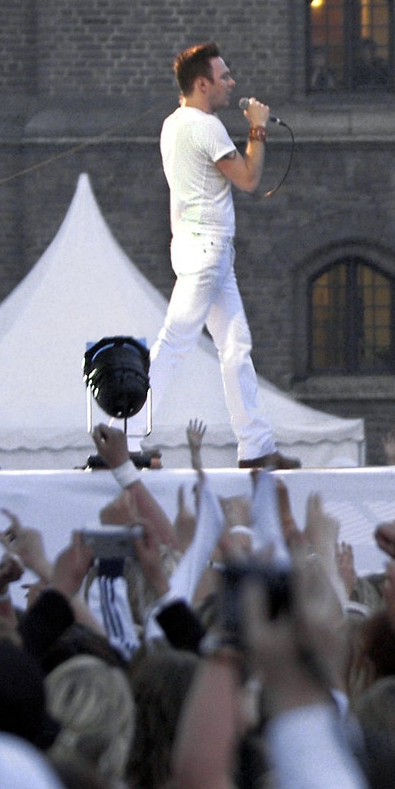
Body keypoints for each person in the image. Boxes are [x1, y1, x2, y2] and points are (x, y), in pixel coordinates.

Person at [146, 43, 295, 470]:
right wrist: (257, 128)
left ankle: (256, 445)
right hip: (207, 249)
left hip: (202, 248)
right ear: (201, 84)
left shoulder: (173, 125)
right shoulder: (204, 126)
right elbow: (248, 178)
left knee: (235, 346)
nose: (232, 83)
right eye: (224, 77)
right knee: (176, 341)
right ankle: (128, 433)